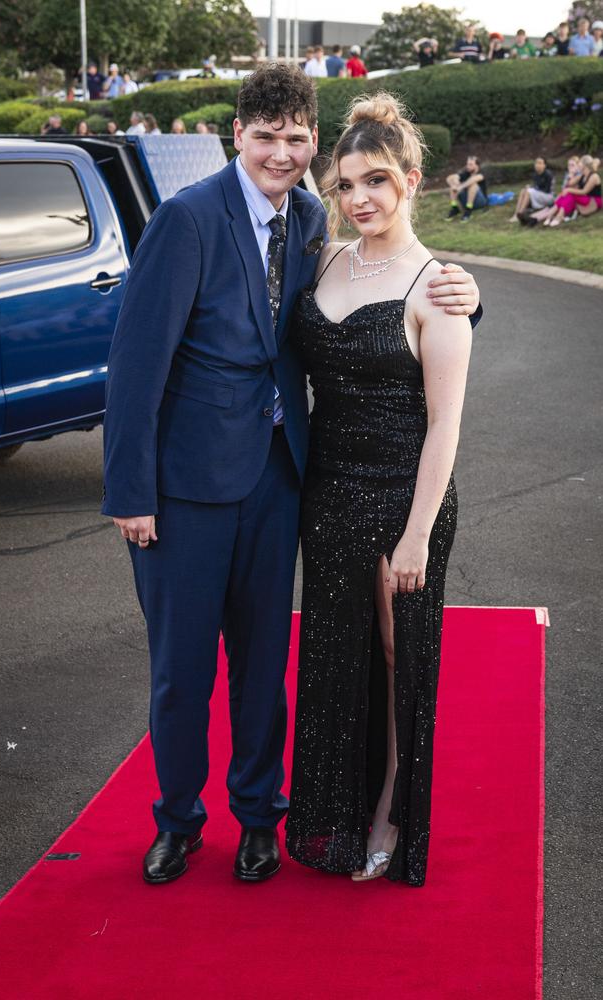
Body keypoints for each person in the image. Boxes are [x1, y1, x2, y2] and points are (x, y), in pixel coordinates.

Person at [101, 63, 482, 888]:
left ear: (312, 144)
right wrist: (130, 493)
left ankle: (258, 819)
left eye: (296, 139)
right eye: (265, 136)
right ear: (236, 135)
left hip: (282, 486)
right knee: (181, 672)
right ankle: (177, 822)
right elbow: (134, 367)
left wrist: (468, 297)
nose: (281, 153)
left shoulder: (315, 220)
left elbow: (391, 296)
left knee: (265, 668)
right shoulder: (185, 219)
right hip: (183, 491)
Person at [285, 92, 473, 886]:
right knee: (333, 655)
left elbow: (445, 427)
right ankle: (335, 807)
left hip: (403, 497)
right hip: (327, 495)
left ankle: (394, 810)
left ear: (412, 181)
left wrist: (417, 535)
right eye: (347, 184)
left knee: (399, 657)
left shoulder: (439, 289)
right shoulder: (327, 257)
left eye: (377, 182)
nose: (360, 197)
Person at [543, 156, 601, 227]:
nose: (578, 165)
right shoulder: (582, 175)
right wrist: (571, 174)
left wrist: (569, 190)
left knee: (570, 192)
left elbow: (584, 191)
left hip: (594, 201)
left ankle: (558, 216)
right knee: (567, 192)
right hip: (585, 199)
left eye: (580, 163)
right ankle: (552, 216)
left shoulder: (594, 176)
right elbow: (569, 184)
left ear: (584, 165)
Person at [509, 156, 554, 223]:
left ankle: (520, 213)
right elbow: (536, 186)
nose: (537, 165)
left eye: (540, 163)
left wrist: (533, 189)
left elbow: (546, 190)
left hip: (548, 196)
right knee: (523, 190)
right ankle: (516, 213)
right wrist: (531, 187)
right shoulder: (535, 174)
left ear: (544, 165)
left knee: (528, 192)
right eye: (536, 163)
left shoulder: (548, 175)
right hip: (539, 194)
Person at [446, 155, 487, 222]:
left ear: (477, 166)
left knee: (473, 185)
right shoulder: (466, 173)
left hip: (480, 202)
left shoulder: (481, 173)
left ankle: (468, 210)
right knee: (453, 184)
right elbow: (449, 178)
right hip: (465, 200)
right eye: (467, 164)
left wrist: (460, 187)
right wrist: (455, 181)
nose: (467, 166)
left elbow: (474, 179)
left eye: (470, 164)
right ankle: (454, 208)